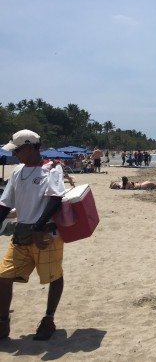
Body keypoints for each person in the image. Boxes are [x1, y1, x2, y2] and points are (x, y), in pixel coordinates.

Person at [0, 130, 67, 340]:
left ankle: (48, 320)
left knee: (54, 277)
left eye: (18, 150)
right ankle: (2, 322)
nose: (15, 155)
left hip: (46, 235)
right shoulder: (17, 172)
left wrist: (38, 228)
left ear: (30, 147)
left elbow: (55, 200)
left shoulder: (52, 170)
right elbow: (5, 204)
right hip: (21, 235)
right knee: (3, 276)